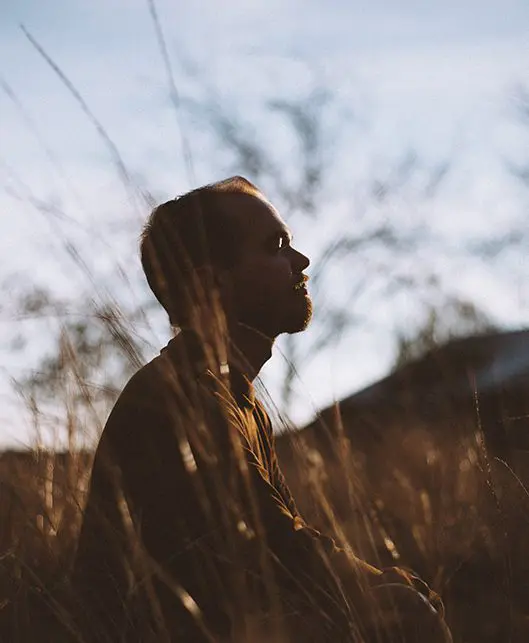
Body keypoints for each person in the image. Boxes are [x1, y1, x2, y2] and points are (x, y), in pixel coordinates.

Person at [71, 177, 452, 642]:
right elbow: (272, 547)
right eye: (277, 246)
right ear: (214, 283)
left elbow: (281, 535)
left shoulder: (236, 396)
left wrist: (378, 580)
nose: (302, 261)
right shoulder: (186, 397)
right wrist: (375, 588)